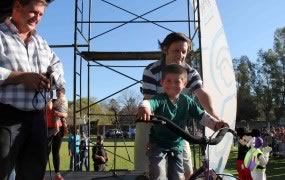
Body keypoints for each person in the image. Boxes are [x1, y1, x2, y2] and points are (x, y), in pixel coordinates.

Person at [135, 32, 220, 178]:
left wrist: (215, 117)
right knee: (146, 169)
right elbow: (150, 100)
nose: (180, 55)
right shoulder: (151, 70)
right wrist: (152, 137)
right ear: (165, 49)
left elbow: (201, 94)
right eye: (176, 50)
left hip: (177, 122)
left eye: (184, 51)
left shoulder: (190, 72)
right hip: (153, 119)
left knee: (187, 170)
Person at [0, 0, 65, 179]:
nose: (37, 18)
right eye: (33, 12)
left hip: (38, 119)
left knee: (34, 173)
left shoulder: (41, 42)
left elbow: (57, 65)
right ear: (17, 7)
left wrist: (52, 78)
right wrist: (20, 77)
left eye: (41, 14)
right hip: (6, 118)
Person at [46, 97, 68, 180]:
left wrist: (65, 125)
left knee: (56, 152)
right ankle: (41, 173)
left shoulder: (59, 103)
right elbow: (48, 108)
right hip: (47, 128)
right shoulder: (46, 101)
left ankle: (57, 174)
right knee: (46, 152)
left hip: (59, 129)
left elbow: (65, 114)